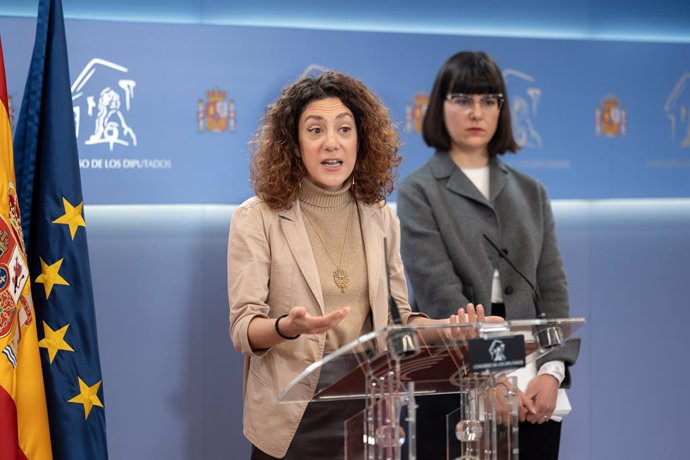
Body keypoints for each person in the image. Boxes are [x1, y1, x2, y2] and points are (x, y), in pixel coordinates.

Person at [228, 70, 485, 460]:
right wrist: (288, 327)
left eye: (344, 129)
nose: (332, 142)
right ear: (294, 145)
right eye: (315, 130)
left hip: (369, 413)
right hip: (291, 416)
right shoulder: (257, 217)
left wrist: (450, 329)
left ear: (360, 140)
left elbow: (397, 324)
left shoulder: (381, 217)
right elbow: (243, 329)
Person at [397, 51, 580, 460]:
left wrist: (553, 372)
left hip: (535, 397)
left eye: (488, 100)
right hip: (454, 393)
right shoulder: (418, 192)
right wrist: (490, 378)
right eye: (462, 100)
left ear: (502, 109)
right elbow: (438, 294)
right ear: (438, 107)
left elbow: (552, 290)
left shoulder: (532, 192)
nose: (476, 112)